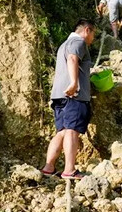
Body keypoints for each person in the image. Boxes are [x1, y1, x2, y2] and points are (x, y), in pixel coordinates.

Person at [40, 18, 96, 180]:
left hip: (59, 96)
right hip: (73, 96)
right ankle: (69, 170)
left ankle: (49, 167)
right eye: (94, 34)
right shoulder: (78, 42)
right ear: (87, 30)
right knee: (71, 131)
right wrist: (74, 83)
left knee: (62, 132)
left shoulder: (64, 44)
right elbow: (72, 59)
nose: (93, 39)